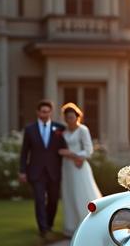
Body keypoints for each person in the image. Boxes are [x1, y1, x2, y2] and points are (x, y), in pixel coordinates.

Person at [19, 100, 67, 238]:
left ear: (51, 112)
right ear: (38, 112)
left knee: (53, 200)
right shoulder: (30, 129)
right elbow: (24, 152)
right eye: (42, 111)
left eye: (47, 111)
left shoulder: (59, 128)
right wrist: (22, 171)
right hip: (36, 171)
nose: (45, 114)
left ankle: (49, 225)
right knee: (39, 199)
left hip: (54, 171)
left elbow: (64, 148)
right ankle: (43, 229)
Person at [58, 102, 102, 236]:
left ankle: (88, 226)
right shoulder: (63, 132)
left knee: (82, 193)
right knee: (69, 194)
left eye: (72, 117)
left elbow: (89, 150)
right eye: (67, 117)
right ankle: (71, 228)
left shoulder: (83, 130)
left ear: (77, 117)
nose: (69, 120)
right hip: (67, 167)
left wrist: (72, 155)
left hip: (79, 166)